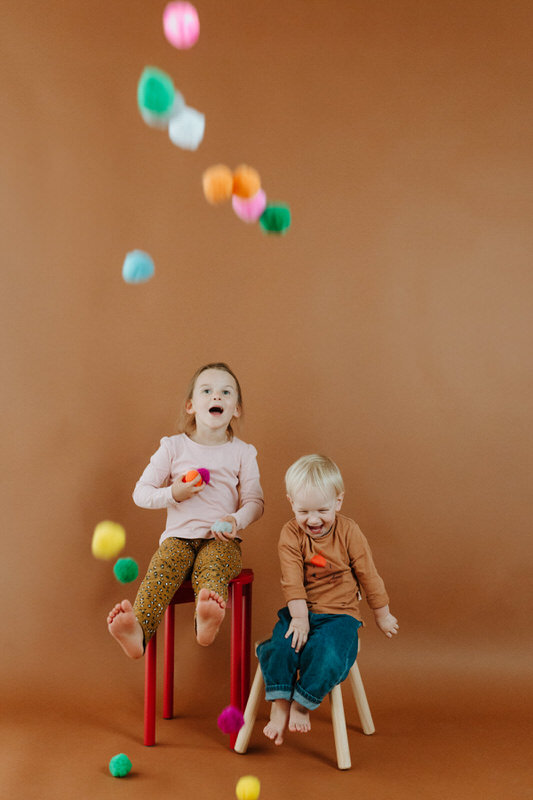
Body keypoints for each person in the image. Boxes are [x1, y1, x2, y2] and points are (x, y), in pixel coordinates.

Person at [107, 362, 264, 658]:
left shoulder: (243, 452)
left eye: (225, 392)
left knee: (214, 566)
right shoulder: (173, 447)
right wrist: (173, 494)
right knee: (162, 569)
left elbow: (256, 503)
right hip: (178, 539)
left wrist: (235, 520)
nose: (216, 396)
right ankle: (138, 631)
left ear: (236, 409)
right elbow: (141, 493)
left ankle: (205, 621)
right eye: (207, 391)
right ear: (191, 406)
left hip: (221, 541)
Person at [257, 454, 398, 745]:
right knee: (279, 647)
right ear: (291, 503)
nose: (313, 520)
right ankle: (280, 703)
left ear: (338, 501)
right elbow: (292, 581)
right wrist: (299, 618)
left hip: (340, 616)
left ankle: (302, 703)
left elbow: (369, 575)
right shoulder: (290, 534)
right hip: (301, 611)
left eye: (322, 510)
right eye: (303, 511)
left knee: (328, 653)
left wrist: (382, 614)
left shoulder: (349, 532)